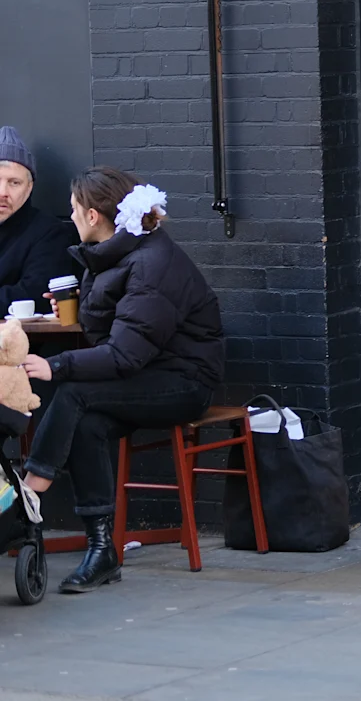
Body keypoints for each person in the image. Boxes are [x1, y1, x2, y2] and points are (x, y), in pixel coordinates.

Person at [19, 167, 224, 594]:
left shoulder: (152, 264)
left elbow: (125, 354)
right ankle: (102, 550)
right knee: (87, 422)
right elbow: (120, 332)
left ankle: (30, 492)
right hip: (147, 376)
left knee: (72, 391)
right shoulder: (121, 252)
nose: (70, 216)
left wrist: (56, 365)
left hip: (184, 383)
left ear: (93, 216)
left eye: (74, 209)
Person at [0, 127, 78, 312]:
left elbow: (34, 294)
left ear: (29, 188)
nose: (3, 193)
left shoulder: (49, 233)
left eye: (14, 183)